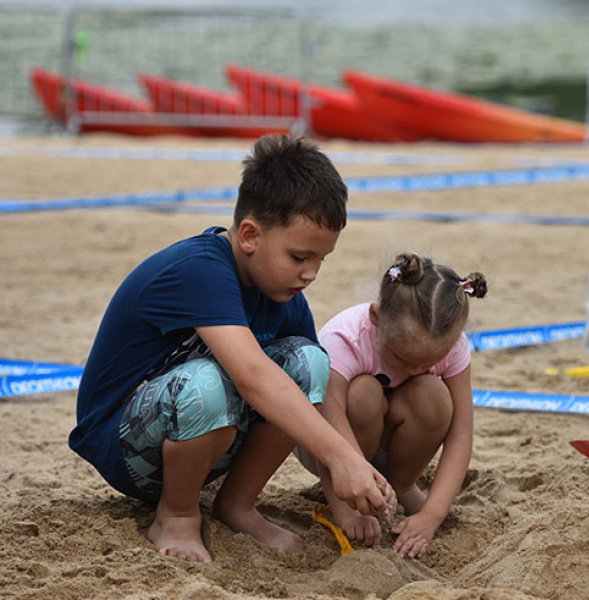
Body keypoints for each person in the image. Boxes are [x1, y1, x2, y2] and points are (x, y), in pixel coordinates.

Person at [70, 135, 395, 563]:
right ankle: (177, 514)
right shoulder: (199, 269)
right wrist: (339, 458)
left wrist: (347, 480)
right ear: (249, 235)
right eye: (299, 257)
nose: (311, 273)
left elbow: (317, 400)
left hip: (204, 443)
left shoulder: (285, 299)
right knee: (212, 385)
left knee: (309, 362)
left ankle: (236, 505)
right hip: (125, 448)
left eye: (321, 259)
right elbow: (254, 379)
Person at [296, 252, 486, 559]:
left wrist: (432, 516)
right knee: (363, 394)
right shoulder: (345, 337)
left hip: (390, 442)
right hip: (327, 446)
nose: (415, 370)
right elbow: (326, 422)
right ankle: (355, 493)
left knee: (434, 394)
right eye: (403, 359)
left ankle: (401, 484)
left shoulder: (452, 344)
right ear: (376, 318)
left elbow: (461, 434)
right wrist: (346, 513)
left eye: (430, 361)